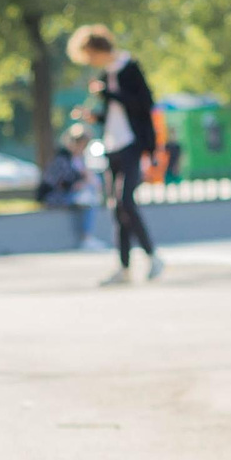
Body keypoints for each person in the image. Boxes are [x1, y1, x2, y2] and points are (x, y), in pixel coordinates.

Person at [68, 25, 163, 284]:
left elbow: (143, 104)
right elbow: (115, 114)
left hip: (132, 143)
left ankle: (153, 256)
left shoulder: (129, 68)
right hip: (112, 144)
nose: (89, 61)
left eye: (89, 55)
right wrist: (94, 115)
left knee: (125, 201)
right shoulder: (106, 74)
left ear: (98, 49)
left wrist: (107, 93)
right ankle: (124, 268)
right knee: (116, 207)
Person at [39, 120, 107, 250]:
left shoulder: (79, 160)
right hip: (54, 196)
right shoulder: (62, 158)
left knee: (89, 197)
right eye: (82, 145)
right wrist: (76, 185)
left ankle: (87, 237)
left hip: (71, 194)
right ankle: (86, 238)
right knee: (88, 200)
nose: (83, 148)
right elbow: (57, 183)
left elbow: (91, 179)